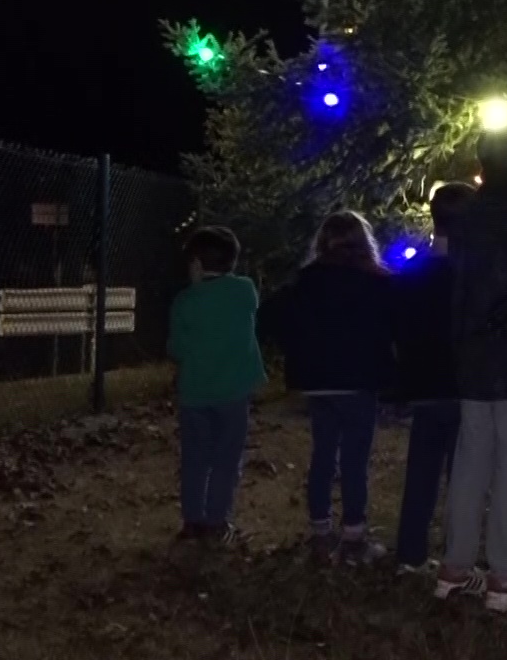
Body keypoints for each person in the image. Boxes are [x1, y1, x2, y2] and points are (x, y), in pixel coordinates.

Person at [436, 125, 507, 612]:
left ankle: (455, 566)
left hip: (472, 353)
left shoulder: (465, 218)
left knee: (471, 460)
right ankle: (504, 576)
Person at [259, 211, 398, 561]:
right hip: (358, 380)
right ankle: (354, 534)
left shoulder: (307, 281)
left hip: (317, 381)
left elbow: (273, 316)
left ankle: (320, 530)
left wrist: (297, 350)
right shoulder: (376, 282)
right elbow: (392, 328)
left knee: (323, 454)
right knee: (355, 459)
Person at [392, 182, 476, 573]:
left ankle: (411, 552)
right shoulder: (473, 275)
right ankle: (459, 556)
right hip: (462, 384)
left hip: (424, 384)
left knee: (421, 473)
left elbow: (401, 328)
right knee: (464, 476)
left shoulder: (413, 272)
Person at [169, 226, 266, 543]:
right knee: (226, 459)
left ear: (196, 264)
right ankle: (217, 520)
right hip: (234, 392)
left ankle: (192, 519)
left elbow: (176, 348)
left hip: (195, 393)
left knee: (195, 459)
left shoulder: (185, 301)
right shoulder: (245, 290)